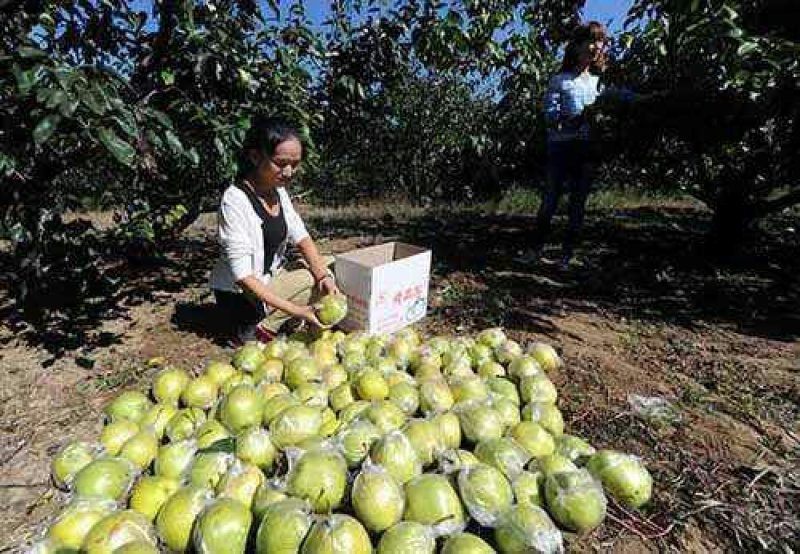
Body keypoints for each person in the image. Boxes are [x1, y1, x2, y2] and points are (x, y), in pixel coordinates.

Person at [209, 116, 339, 345]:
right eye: (281, 163)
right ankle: (260, 328)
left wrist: (323, 276)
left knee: (329, 265)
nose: (289, 171)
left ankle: (284, 316)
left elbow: (302, 237)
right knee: (312, 279)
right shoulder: (235, 200)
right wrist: (300, 311)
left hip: (269, 277)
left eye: (295, 164)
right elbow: (244, 278)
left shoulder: (277, 191)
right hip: (242, 297)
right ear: (255, 156)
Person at [524, 21, 613, 269]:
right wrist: (576, 120)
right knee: (550, 201)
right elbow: (550, 118)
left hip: (586, 151)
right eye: (591, 41)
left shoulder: (599, 83)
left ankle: (566, 256)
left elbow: (619, 96)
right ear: (577, 46)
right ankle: (535, 251)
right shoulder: (560, 81)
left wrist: (645, 99)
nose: (596, 47)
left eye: (600, 42)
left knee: (577, 204)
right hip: (560, 149)